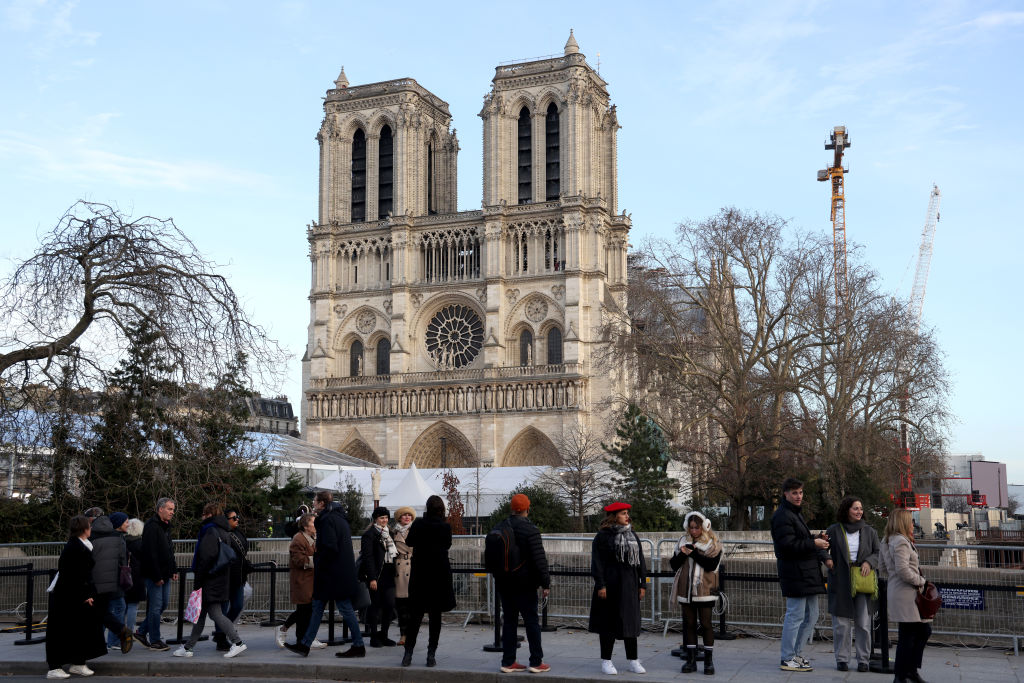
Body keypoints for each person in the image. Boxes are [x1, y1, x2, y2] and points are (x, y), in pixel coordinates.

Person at [284, 490, 364, 658]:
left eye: (314, 501)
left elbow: (329, 548)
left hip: (332, 574)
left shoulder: (327, 520)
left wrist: (319, 560)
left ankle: (358, 645)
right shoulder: (339, 518)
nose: (313, 504)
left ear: (321, 503)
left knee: (343, 609)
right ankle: (304, 645)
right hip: (337, 572)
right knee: (319, 607)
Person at [172, 502, 247, 658]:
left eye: (204, 514)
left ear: (209, 515)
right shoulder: (224, 531)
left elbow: (206, 558)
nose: (202, 516)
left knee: (216, 614)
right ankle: (188, 648)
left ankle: (238, 642)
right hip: (219, 578)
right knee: (202, 615)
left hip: (209, 580)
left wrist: (199, 581)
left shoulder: (210, 531)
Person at [771, 477, 829, 673]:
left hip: (806, 573)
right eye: (794, 493)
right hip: (795, 573)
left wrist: (816, 539)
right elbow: (786, 546)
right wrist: (813, 544)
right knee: (795, 616)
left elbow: (797, 541)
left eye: (801, 492)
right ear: (785, 494)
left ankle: (796, 653)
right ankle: (787, 657)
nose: (798, 496)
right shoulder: (782, 516)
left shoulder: (794, 514)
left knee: (812, 616)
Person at [45, 515, 107, 679]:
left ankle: (78, 662)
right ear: (84, 529)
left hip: (74, 593)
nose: (91, 529)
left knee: (79, 630)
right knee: (62, 631)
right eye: (89, 526)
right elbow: (74, 574)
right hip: (67, 596)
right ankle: (55, 666)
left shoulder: (80, 545)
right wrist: (85, 593)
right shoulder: (75, 547)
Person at [589, 502, 647, 675]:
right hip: (610, 586)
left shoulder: (632, 535)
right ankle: (606, 661)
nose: (627, 516)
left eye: (627, 512)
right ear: (614, 516)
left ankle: (633, 660)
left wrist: (642, 583)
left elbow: (641, 562)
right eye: (623, 513)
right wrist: (601, 584)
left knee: (630, 623)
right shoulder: (603, 536)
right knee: (608, 624)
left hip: (629, 586)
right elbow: (597, 562)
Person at [495, 493, 550, 674]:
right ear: (528, 508)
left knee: (509, 622)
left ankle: (508, 661)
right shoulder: (530, 529)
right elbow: (539, 558)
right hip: (526, 584)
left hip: (505, 583)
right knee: (532, 622)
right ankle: (536, 661)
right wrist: (545, 583)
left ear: (512, 508)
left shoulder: (501, 526)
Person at [824, 495, 880, 673]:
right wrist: (827, 559)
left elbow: (878, 552)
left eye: (861, 509)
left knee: (863, 623)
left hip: (862, 581)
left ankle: (863, 659)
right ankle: (842, 658)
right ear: (846, 510)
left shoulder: (869, 531)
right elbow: (822, 549)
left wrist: (869, 562)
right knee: (841, 624)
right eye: (855, 508)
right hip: (840, 579)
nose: (859, 511)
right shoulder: (834, 530)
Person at [401, 495, 455, 668]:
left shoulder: (419, 524)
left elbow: (409, 541)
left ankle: (408, 653)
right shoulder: (445, 526)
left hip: (421, 574)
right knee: (435, 616)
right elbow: (447, 545)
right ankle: (431, 654)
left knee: (415, 616)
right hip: (438, 575)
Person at [880, 508, 931, 683]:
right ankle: (902, 675)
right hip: (906, 593)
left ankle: (908, 671)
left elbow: (883, 568)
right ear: (903, 522)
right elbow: (903, 570)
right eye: (910, 521)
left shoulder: (886, 540)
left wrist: (894, 576)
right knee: (910, 635)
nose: (912, 524)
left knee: (917, 631)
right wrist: (921, 581)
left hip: (897, 591)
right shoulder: (901, 541)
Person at [670, 511, 722, 675]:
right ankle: (690, 661)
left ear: (704, 527)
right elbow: (673, 564)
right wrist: (683, 554)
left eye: (697, 528)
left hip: (705, 589)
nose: (693, 531)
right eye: (691, 528)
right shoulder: (682, 541)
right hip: (686, 590)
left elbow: (711, 565)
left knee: (706, 624)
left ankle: (708, 661)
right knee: (689, 625)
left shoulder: (713, 543)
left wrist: (693, 553)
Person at [135, 497, 177, 651]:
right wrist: (156, 576)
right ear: (160, 509)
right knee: (155, 606)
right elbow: (150, 554)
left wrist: (173, 569)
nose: (172, 512)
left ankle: (141, 632)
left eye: (173, 509)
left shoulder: (165, 526)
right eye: (169, 509)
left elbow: (169, 550)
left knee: (163, 604)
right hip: (156, 575)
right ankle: (155, 640)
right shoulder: (152, 527)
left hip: (165, 573)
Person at [90, 511, 133, 653]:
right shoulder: (117, 538)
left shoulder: (93, 537)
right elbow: (122, 561)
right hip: (114, 579)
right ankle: (115, 638)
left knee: (102, 611)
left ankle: (98, 640)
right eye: (126, 521)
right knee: (117, 607)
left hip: (96, 581)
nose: (128, 524)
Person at [277, 513, 321, 649]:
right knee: (304, 611)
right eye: (314, 523)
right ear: (306, 526)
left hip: (310, 581)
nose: (316, 525)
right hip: (302, 581)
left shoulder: (311, 538)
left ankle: (305, 638)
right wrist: (319, 561)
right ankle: (300, 639)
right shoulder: (298, 539)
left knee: (307, 610)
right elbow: (299, 560)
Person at [360, 506, 398, 647]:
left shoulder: (390, 534)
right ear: (375, 519)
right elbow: (368, 558)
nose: (384, 520)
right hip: (376, 575)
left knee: (389, 605)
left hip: (388, 574)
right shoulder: (369, 535)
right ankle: (374, 636)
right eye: (382, 518)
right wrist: (372, 578)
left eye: (386, 518)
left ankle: (384, 634)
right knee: (375, 607)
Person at [213, 507, 249, 651]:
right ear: (226, 520)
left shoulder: (238, 533)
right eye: (234, 518)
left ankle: (222, 631)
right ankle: (221, 636)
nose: (237, 520)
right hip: (226, 577)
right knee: (222, 609)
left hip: (238, 576)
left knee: (237, 605)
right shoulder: (222, 534)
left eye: (237, 517)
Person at [392, 506, 415, 647]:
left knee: (412, 605)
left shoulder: (416, 531)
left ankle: (411, 634)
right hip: (399, 569)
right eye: (404, 515)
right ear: (399, 518)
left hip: (412, 568)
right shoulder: (393, 532)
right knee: (401, 606)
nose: (407, 517)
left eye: (409, 515)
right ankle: (403, 634)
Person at [122, 518, 146, 641]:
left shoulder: (123, 541)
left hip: (124, 576)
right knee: (133, 605)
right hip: (137, 577)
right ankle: (130, 631)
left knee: (123, 606)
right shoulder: (140, 543)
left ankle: (119, 631)